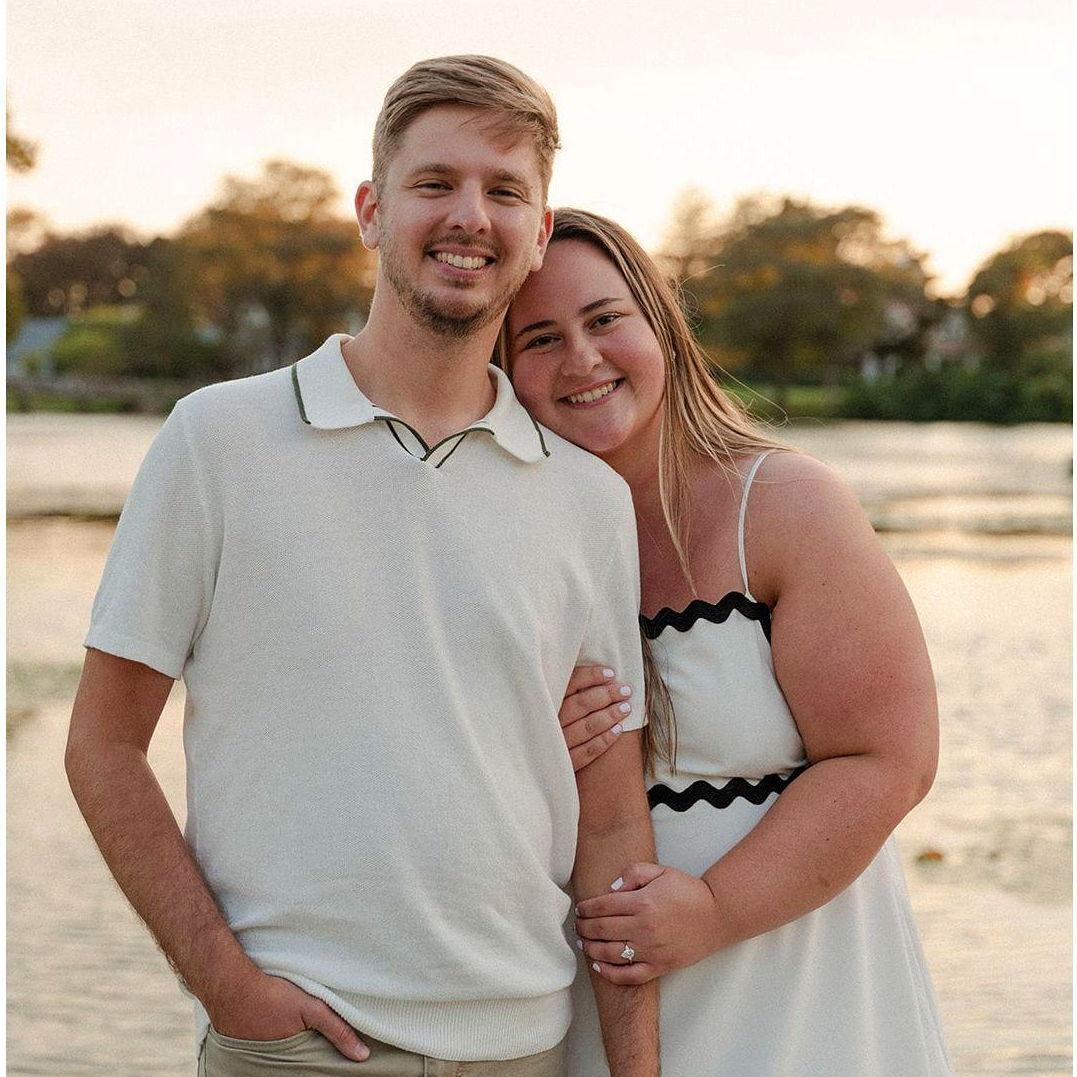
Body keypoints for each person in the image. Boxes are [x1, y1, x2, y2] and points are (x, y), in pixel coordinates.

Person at [65, 61, 660, 1077]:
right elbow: (103, 746)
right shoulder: (218, 441)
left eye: (504, 190)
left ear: (537, 232)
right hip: (296, 1046)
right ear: (371, 211)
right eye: (435, 183)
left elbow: (609, 824)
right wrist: (228, 988)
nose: (470, 215)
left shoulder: (587, 500)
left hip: (526, 1044)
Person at [503, 208, 954, 1075]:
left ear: (660, 327)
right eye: (540, 339)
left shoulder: (784, 504)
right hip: (595, 1005)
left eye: (604, 319)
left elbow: (888, 760)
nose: (581, 359)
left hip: (794, 1001)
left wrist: (713, 909)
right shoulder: (504, 543)